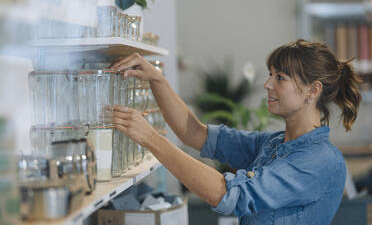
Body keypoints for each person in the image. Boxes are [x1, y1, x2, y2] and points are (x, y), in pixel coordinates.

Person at [109, 39, 361, 224]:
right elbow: (195, 134)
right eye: (270, 74)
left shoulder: (320, 160)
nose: (267, 84)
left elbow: (230, 195)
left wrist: (152, 139)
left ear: (312, 90)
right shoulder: (272, 144)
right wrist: (157, 80)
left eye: (280, 77)